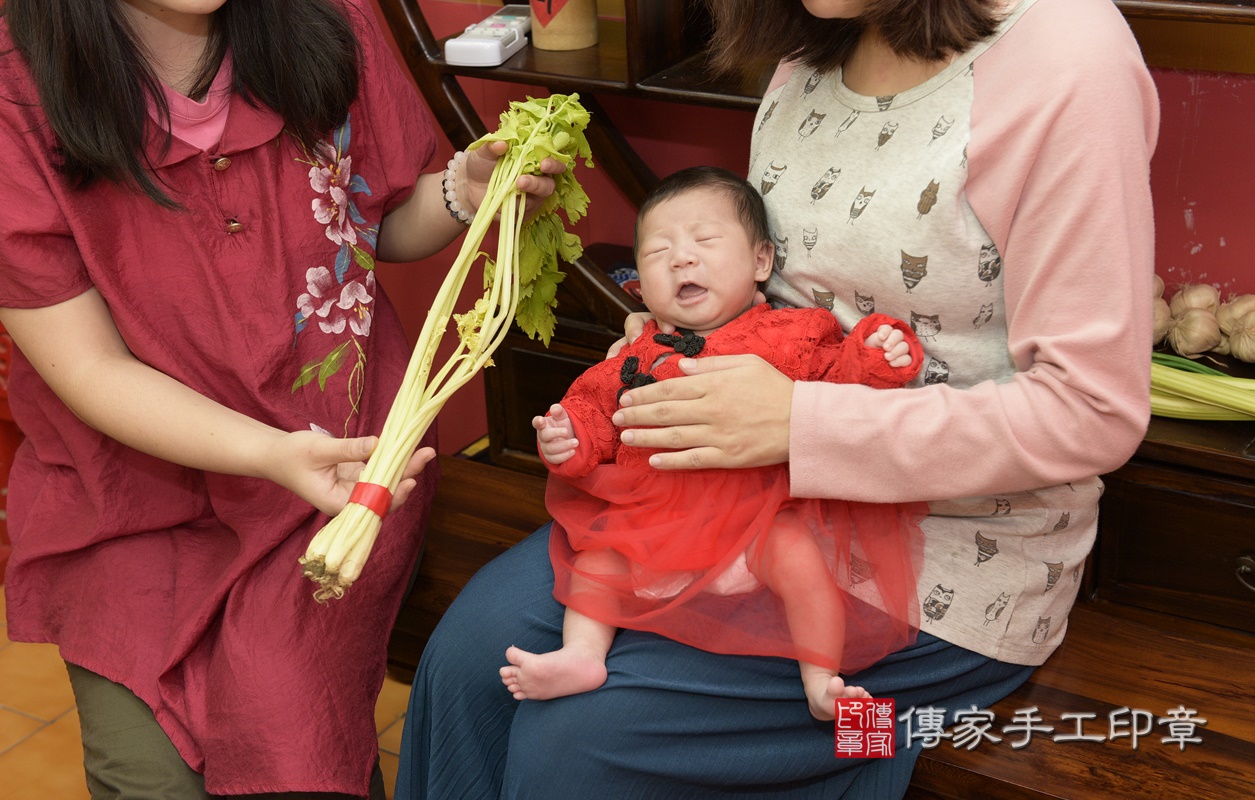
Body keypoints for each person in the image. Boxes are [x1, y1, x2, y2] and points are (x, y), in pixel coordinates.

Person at [397, 0, 1158, 797]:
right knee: (466, 659)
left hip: (952, 542)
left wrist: (798, 424)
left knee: (580, 742)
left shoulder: (1068, 53)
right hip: (723, 495)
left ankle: (867, 737)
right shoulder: (808, 40)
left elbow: (1091, 411)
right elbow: (779, 294)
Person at [0, 1, 562, 798]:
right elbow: (87, 367)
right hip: (124, 505)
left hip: (333, 490)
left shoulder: (330, 19)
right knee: (145, 774)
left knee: (299, 755)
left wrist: (466, 193)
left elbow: (376, 226)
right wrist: (264, 453)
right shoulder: (13, 93)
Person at [501, 166, 927, 719]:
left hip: (759, 513)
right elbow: (593, 409)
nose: (681, 258)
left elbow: (833, 382)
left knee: (800, 561)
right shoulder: (637, 354)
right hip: (653, 520)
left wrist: (872, 358)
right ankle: (583, 654)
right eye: (658, 252)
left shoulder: (792, 333)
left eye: (705, 241)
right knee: (599, 555)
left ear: (760, 262)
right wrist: (568, 437)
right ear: (640, 283)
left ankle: (821, 677)